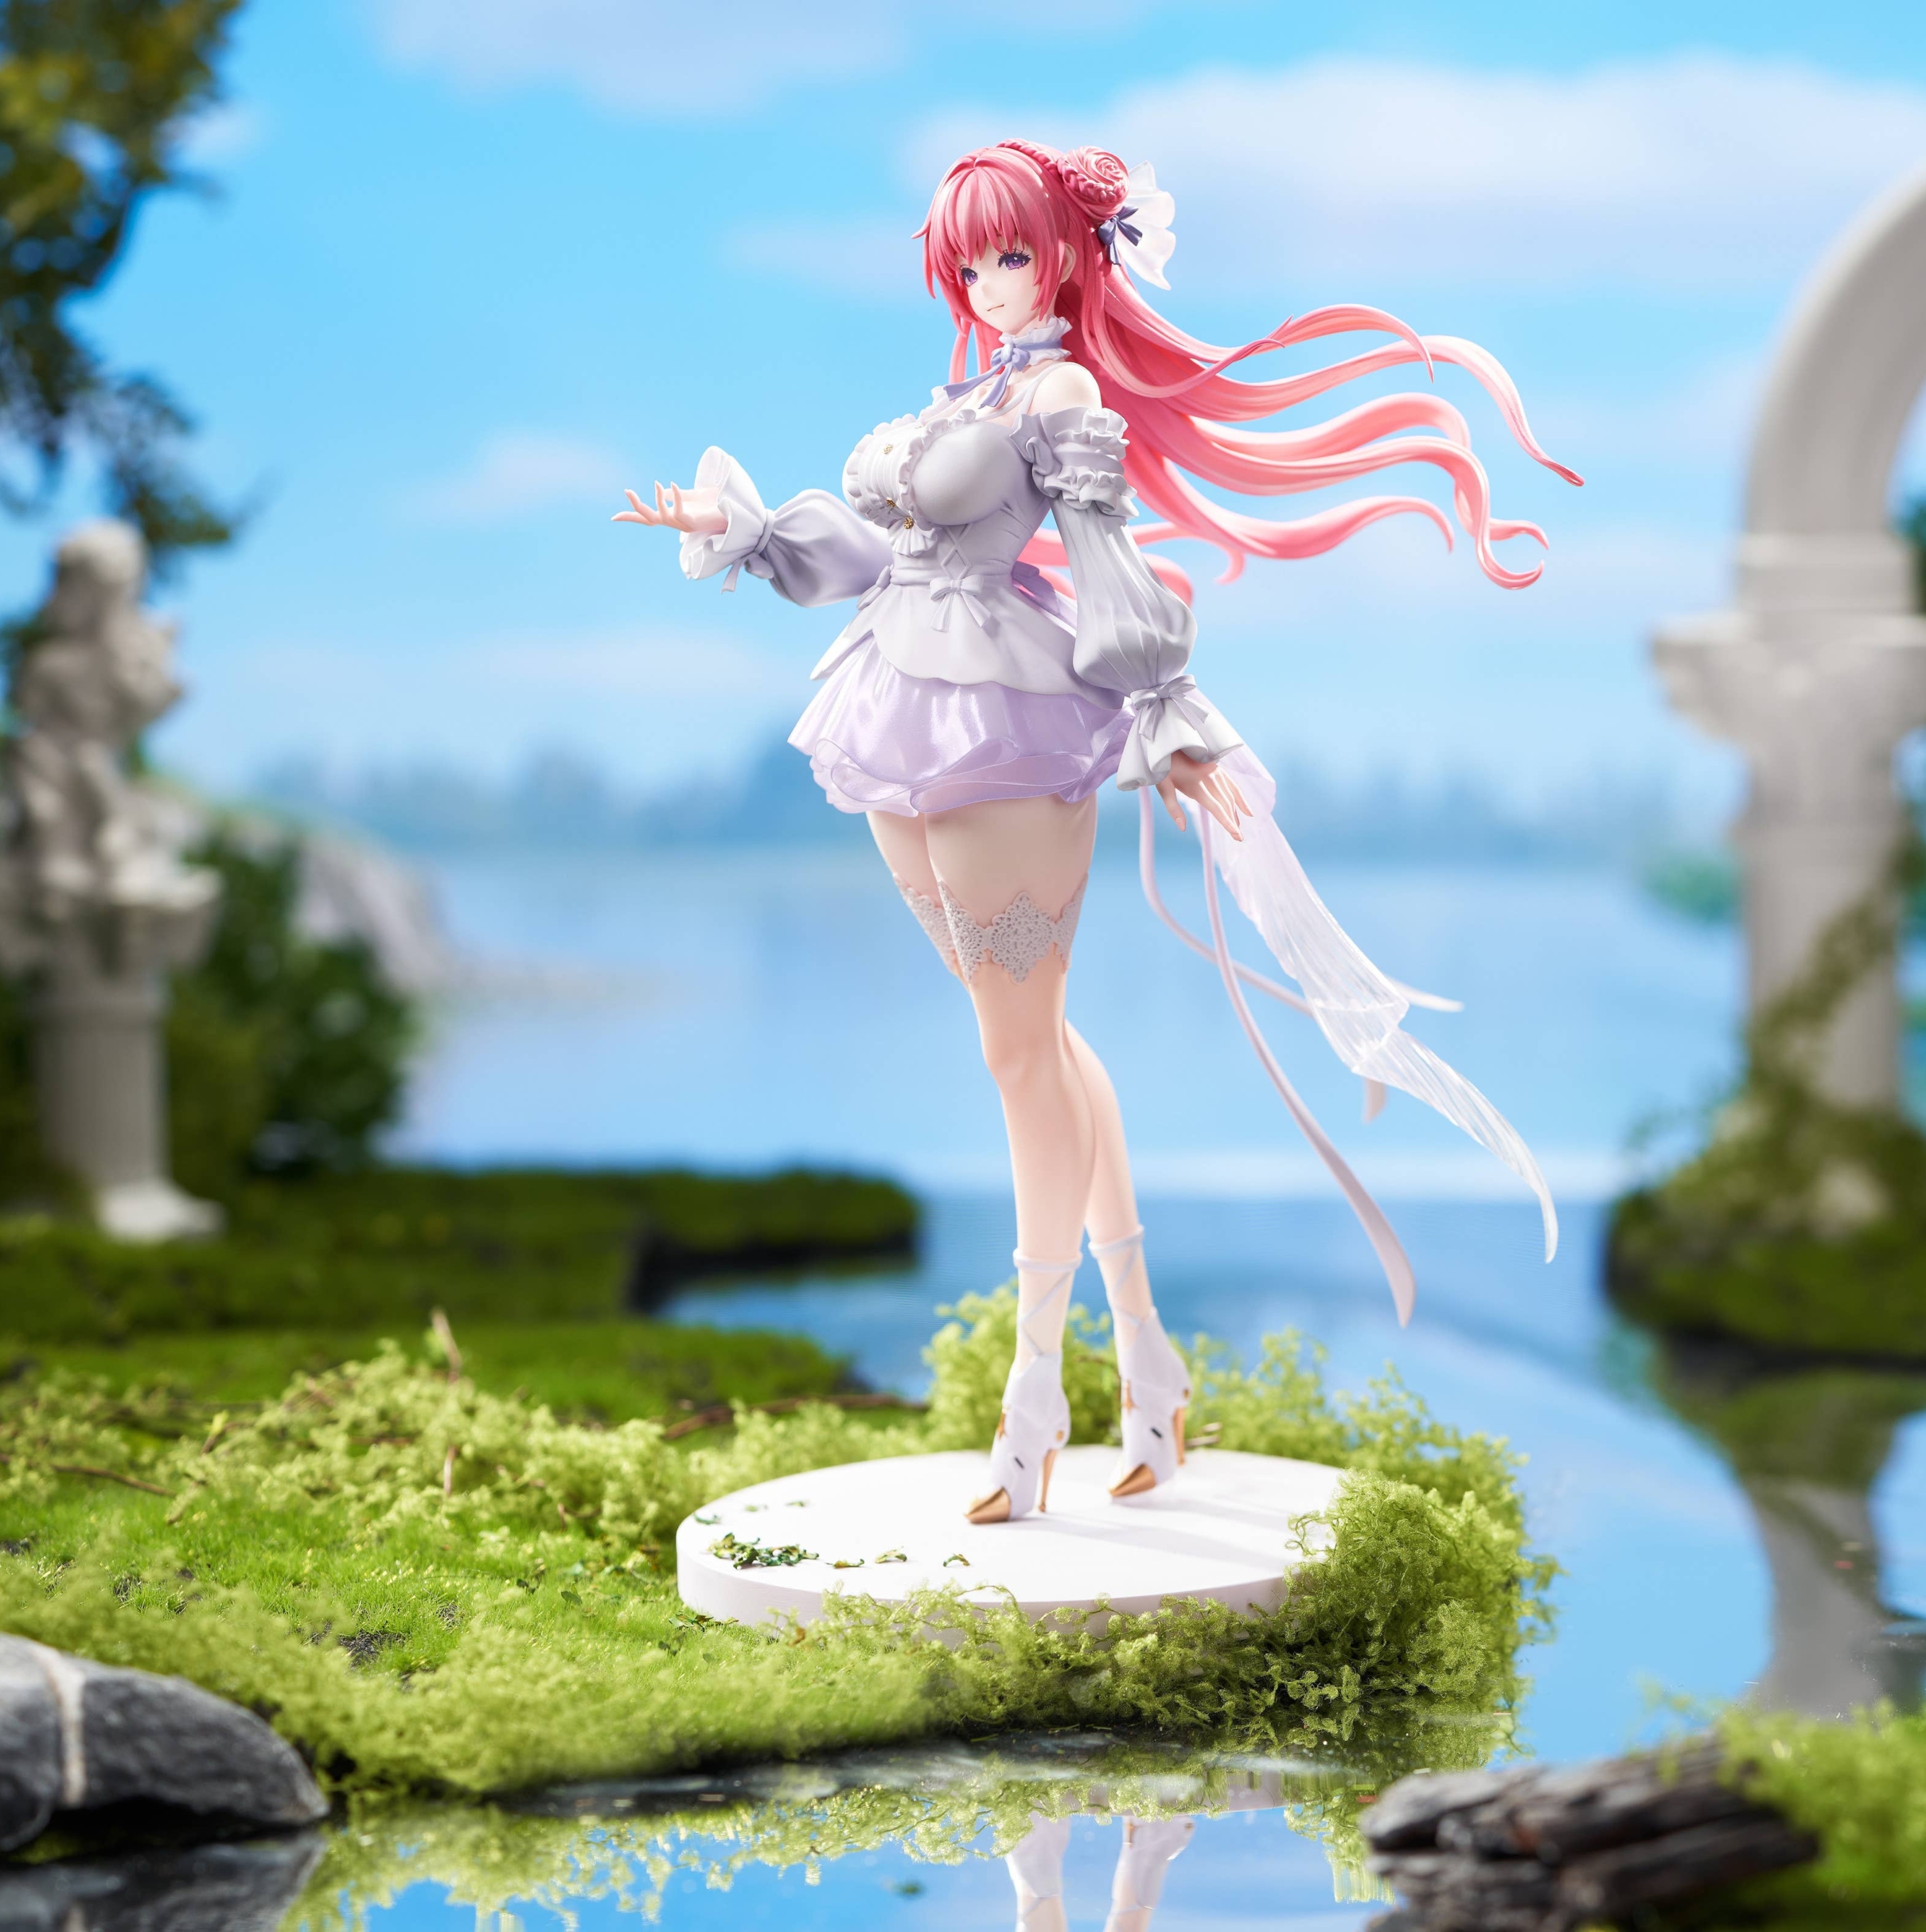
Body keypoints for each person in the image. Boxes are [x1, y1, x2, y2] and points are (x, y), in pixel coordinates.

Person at [618, 141, 1573, 1525]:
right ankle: (1147, 1358)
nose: (990, 282)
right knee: (1038, 1043)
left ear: (1068, 257)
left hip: (1006, 722)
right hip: (895, 705)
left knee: (1017, 1055)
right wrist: (746, 529)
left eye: (1013, 254)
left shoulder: (1060, 392)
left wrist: (1171, 715)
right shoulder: (969, 392)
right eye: (970, 261)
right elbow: (889, 560)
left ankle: (1033, 1392)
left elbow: (1106, 554)